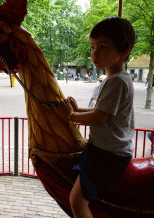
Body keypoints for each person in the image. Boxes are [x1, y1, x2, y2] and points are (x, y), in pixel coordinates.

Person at [59, 17, 135, 218]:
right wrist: (79, 109)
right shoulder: (115, 78)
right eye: (92, 47)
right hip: (103, 150)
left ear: (123, 52)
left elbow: (99, 117)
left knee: (76, 202)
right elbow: (103, 111)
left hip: (108, 155)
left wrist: (72, 115)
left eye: (103, 47)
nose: (94, 53)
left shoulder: (117, 81)